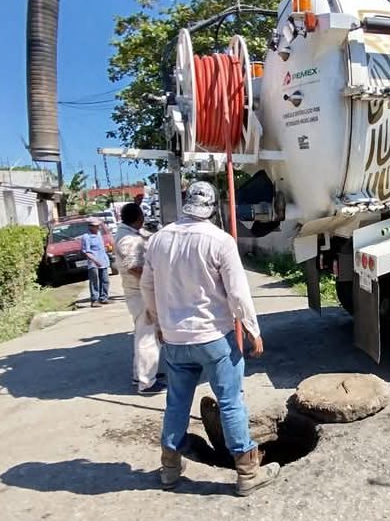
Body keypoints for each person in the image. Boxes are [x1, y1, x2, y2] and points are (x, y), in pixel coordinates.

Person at [141, 181, 279, 496]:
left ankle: (169, 468)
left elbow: (147, 286)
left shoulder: (159, 240)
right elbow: (237, 292)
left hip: (175, 340)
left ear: (186, 204)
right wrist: (252, 328)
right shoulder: (220, 241)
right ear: (213, 208)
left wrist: (159, 322)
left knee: (176, 402)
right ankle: (247, 473)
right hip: (215, 337)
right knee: (230, 402)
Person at [115, 203, 166, 395]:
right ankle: (146, 383)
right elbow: (134, 267)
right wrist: (154, 281)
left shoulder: (129, 233)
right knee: (148, 336)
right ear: (139, 217)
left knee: (142, 334)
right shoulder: (127, 239)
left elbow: (146, 238)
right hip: (139, 292)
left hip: (138, 291)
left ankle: (141, 374)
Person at [81, 218, 110, 307]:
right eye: (96, 226)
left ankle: (103, 298)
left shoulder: (99, 234)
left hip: (103, 261)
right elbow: (86, 252)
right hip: (93, 263)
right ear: (90, 227)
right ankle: (94, 300)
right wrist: (95, 261)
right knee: (94, 281)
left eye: (98, 226)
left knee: (105, 280)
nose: (98, 228)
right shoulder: (86, 237)